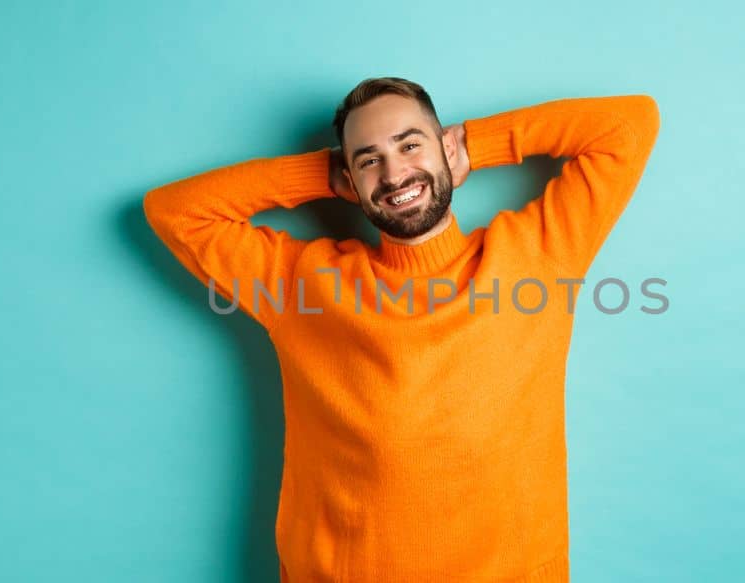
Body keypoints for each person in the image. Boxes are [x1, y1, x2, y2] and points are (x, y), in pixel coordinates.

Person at [144, 77, 660, 581]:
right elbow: (176, 211)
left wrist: (476, 145)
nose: (394, 173)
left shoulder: (538, 256)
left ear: (445, 152)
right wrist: (324, 174)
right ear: (351, 181)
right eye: (369, 160)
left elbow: (627, 125)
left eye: (410, 145)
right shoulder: (301, 285)